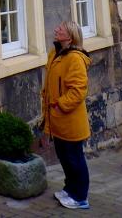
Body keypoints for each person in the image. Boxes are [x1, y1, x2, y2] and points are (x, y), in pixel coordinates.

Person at [41, 20, 91, 210]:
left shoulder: (75, 59)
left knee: (75, 158)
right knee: (64, 156)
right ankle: (69, 189)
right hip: (57, 119)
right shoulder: (55, 54)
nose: (56, 29)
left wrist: (59, 105)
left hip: (70, 120)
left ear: (69, 36)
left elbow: (78, 91)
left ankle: (80, 197)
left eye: (60, 29)